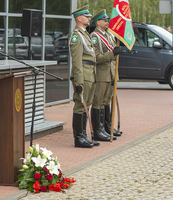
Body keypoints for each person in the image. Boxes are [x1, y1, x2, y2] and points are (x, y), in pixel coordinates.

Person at [69, 5, 100, 148]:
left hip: (90, 74)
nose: (89, 18)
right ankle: (78, 137)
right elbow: (76, 61)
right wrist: (78, 81)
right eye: (86, 16)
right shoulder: (76, 36)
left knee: (86, 105)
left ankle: (84, 135)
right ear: (79, 18)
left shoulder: (85, 34)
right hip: (83, 75)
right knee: (80, 106)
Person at [90, 9, 121, 141]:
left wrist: (115, 75)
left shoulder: (109, 35)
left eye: (107, 19)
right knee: (98, 102)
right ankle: (98, 131)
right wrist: (112, 53)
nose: (107, 21)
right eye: (104, 20)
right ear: (98, 23)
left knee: (107, 101)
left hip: (110, 74)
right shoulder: (95, 37)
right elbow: (96, 58)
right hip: (101, 74)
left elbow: (113, 59)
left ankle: (107, 127)